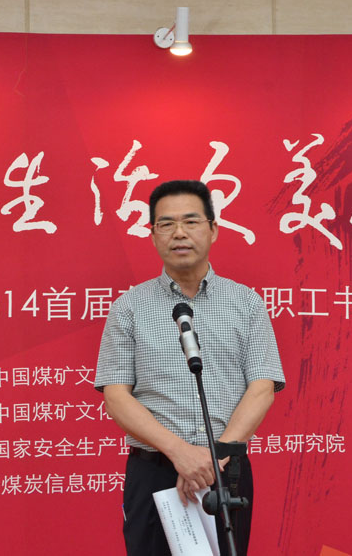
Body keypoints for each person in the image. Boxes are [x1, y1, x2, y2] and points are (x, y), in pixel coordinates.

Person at [95, 180, 285, 555]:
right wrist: (181, 454)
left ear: (213, 229)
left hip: (226, 471)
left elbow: (262, 388)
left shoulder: (246, 303)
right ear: (152, 234)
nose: (179, 233)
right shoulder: (129, 307)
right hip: (154, 471)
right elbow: (116, 397)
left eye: (191, 221)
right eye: (166, 224)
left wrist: (214, 458)